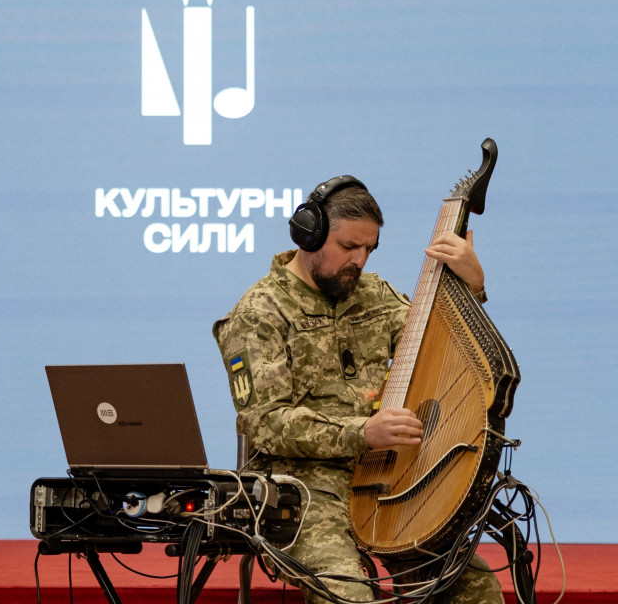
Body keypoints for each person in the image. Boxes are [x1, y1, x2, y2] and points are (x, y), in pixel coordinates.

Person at [212, 176, 503, 604]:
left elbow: (443, 350)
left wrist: (472, 287)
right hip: (304, 487)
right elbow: (267, 424)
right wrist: (362, 432)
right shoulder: (259, 313)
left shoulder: (374, 295)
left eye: (369, 249)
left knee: (474, 587)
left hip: (387, 475)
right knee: (348, 596)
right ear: (309, 234)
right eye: (349, 246)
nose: (359, 260)